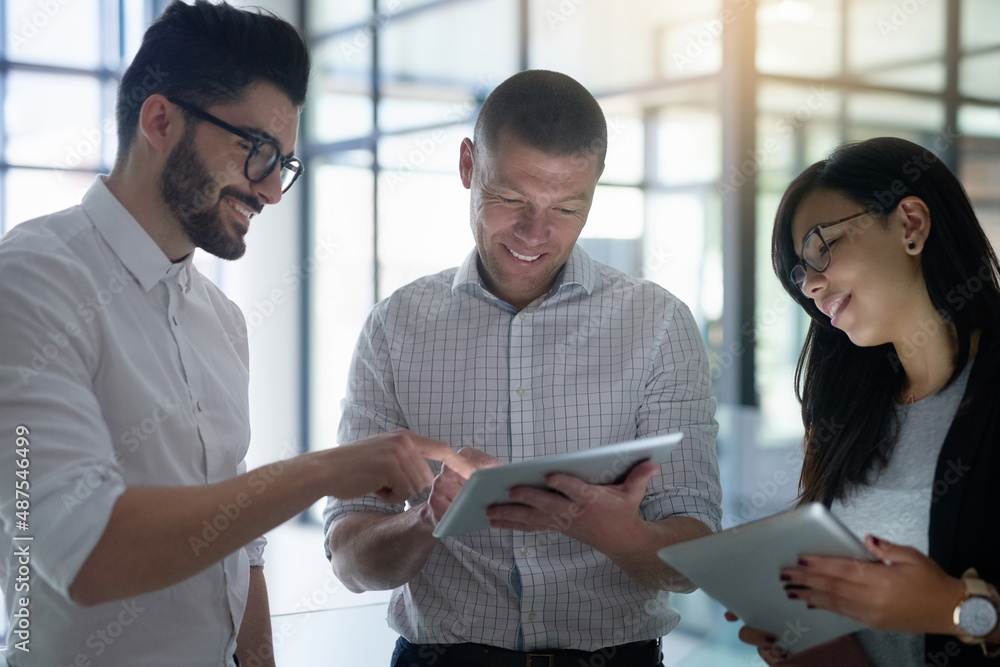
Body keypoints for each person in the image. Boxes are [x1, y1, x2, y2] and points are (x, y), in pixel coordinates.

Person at [0, 2, 470, 665]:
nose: (274, 191)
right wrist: (328, 471)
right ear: (160, 120)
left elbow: (239, 549)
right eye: (258, 152)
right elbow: (86, 555)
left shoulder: (220, 321)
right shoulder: (30, 280)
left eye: (285, 163)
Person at [324, 69, 723, 667]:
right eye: (511, 199)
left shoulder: (659, 324)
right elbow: (349, 560)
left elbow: (696, 559)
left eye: (567, 207)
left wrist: (625, 537)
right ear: (467, 166)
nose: (536, 234)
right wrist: (427, 521)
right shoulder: (395, 326)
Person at [730, 136, 1000, 666]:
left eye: (819, 248)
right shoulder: (843, 407)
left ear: (911, 224)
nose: (809, 283)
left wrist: (952, 608)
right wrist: (802, 630)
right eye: (799, 271)